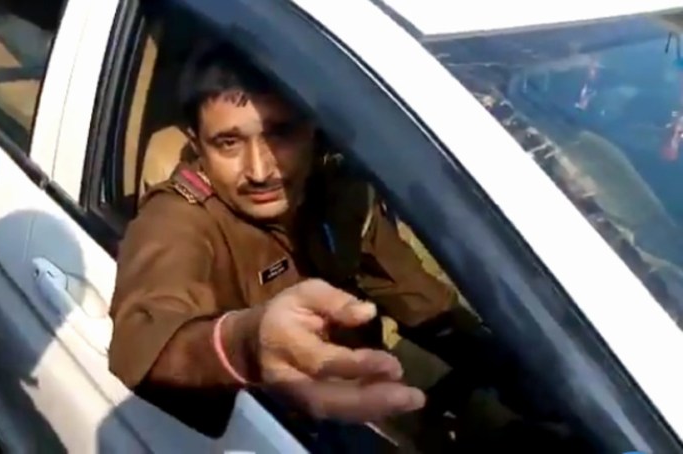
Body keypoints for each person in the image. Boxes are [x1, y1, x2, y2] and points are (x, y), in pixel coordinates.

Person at [108, 42, 571, 452]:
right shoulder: (178, 220)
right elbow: (146, 344)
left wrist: (514, 371)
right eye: (228, 143)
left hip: (363, 375)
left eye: (281, 133)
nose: (260, 170)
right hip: (288, 424)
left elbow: (409, 291)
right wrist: (247, 345)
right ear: (197, 146)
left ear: (314, 128)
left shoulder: (335, 189)